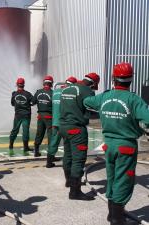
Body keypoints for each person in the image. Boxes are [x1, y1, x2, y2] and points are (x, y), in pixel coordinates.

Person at [84, 62, 149, 225]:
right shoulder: (134, 99)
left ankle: (112, 213)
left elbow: (87, 101)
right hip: (126, 146)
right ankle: (117, 218)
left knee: (112, 178)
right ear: (131, 79)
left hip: (109, 145)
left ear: (113, 78)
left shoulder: (104, 97)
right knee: (123, 181)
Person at [59, 72, 100, 200]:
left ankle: (69, 181)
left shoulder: (67, 89)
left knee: (68, 154)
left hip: (64, 126)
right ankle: (74, 192)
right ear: (93, 83)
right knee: (78, 160)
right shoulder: (87, 91)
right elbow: (91, 112)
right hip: (76, 128)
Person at [46, 76, 77, 169]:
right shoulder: (68, 93)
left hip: (55, 121)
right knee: (68, 143)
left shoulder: (55, 92)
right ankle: (69, 162)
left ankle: (49, 162)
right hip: (65, 122)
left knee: (54, 142)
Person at [9, 77, 33, 156]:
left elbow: (12, 104)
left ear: (16, 84)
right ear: (24, 85)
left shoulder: (14, 94)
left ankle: (11, 145)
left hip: (18, 115)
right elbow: (33, 102)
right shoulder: (28, 94)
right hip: (26, 115)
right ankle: (26, 147)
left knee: (15, 130)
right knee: (25, 131)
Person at [31, 75, 54, 157]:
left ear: (44, 83)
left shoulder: (38, 92)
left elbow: (32, 102)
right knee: (51, 135)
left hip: (40, 116)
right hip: (49, 117)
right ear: (51, 84)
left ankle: (36, 152)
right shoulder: (53, 93)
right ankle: (51, 156)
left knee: (39, 134)